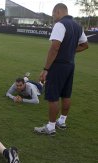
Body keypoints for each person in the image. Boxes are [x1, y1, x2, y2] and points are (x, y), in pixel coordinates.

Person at [34, 3, 88, 136]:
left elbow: (55, 47)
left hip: (58, 65)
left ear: (58, 11)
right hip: (70, 65)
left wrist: (46, 69)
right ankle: (62, 121)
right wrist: (70, 51)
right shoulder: (77, 26)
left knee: (53, 96)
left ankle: (51, 127)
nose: (53, 17)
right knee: (66, 94)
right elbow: (85, 45)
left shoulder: (60, 24)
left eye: (53, 14)